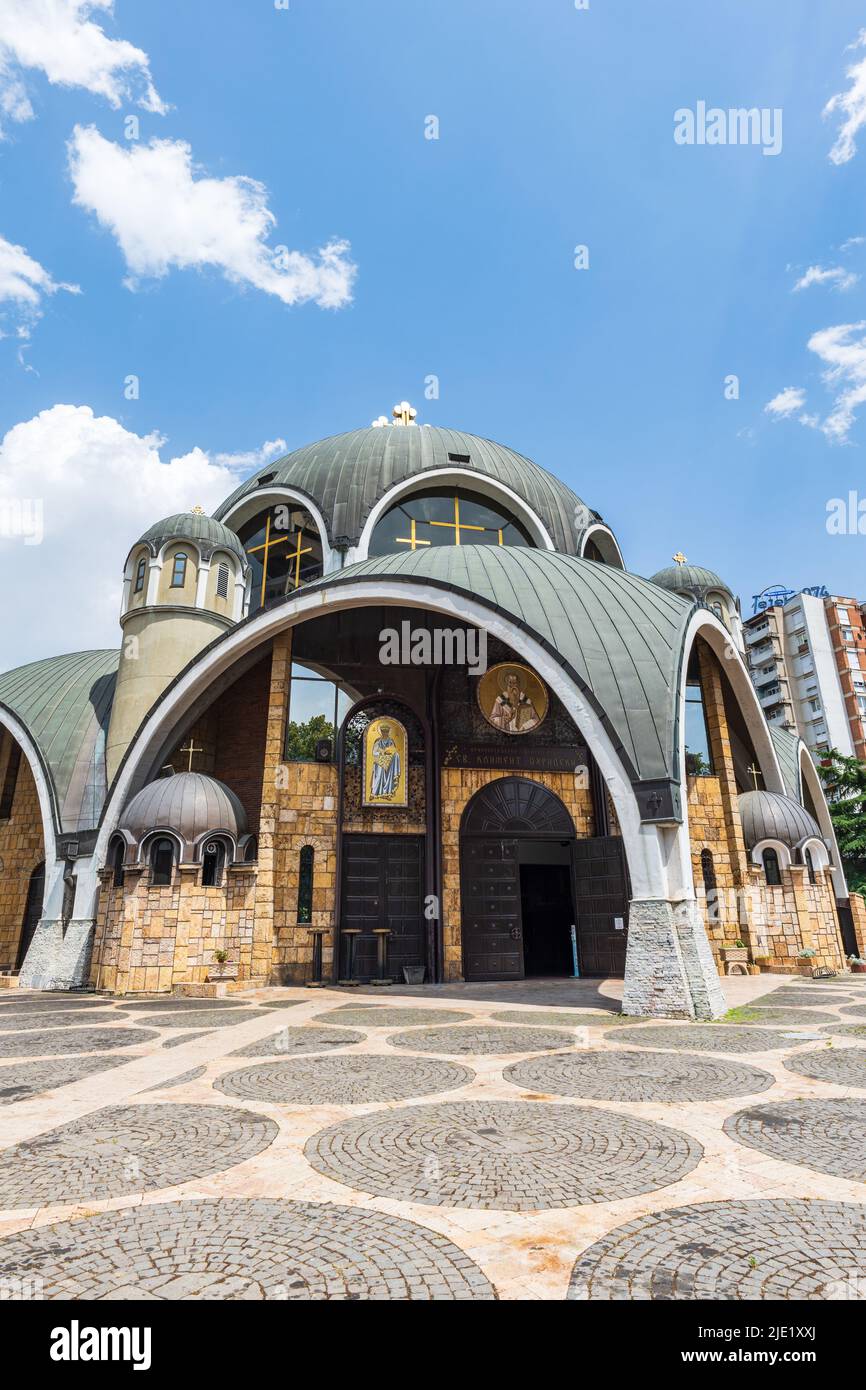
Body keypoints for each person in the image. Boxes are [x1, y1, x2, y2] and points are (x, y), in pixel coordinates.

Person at [489, 668, 541, 733]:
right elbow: (492, 720)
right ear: (506, 685)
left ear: (519, 685)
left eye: (515, 683)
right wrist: (505, 719)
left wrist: (525, 726)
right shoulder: (501, 700)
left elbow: (536, 721)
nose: (512, 686)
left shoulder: (526, 701)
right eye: (510, 683)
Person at [370, 722, 402, 798]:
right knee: (380, 771)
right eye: (383, 732)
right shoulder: (378, 741)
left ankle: (387, 793)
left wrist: (390, 753)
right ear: (381, 732)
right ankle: (375, 792)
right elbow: (374, 752)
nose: (385, 733)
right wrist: (381, 753)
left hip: (389, 761)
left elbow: (394, 751)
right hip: (380, 761)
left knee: (396, 757)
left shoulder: (390, 741)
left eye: (386, 732)